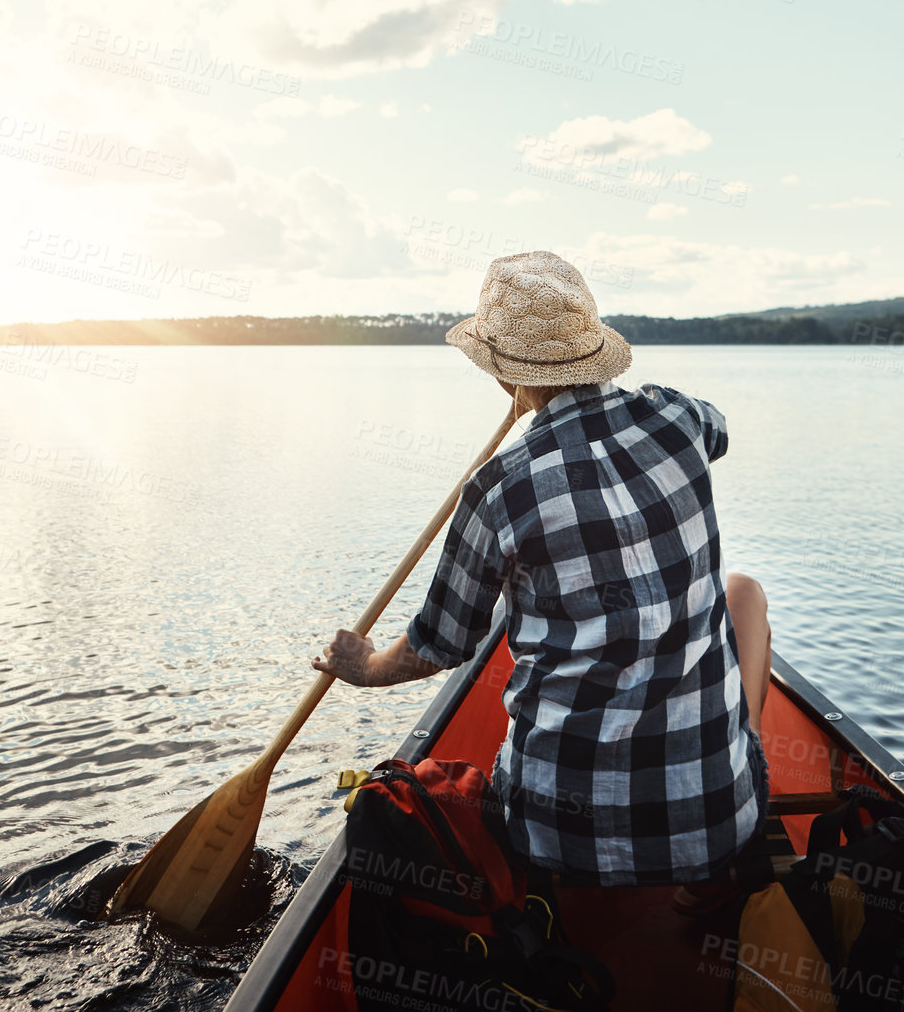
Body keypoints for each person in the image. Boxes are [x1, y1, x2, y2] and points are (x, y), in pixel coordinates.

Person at [313, 250, 771, 910]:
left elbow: (439, 646)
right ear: (594, 351)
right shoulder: (677, 417)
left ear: (502, 378)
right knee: (744, 593)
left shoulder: (495, 487)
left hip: (548, 833)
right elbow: (715, 426)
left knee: (724, 597)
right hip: (715, 820)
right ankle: (715, 870)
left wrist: (365, 665)